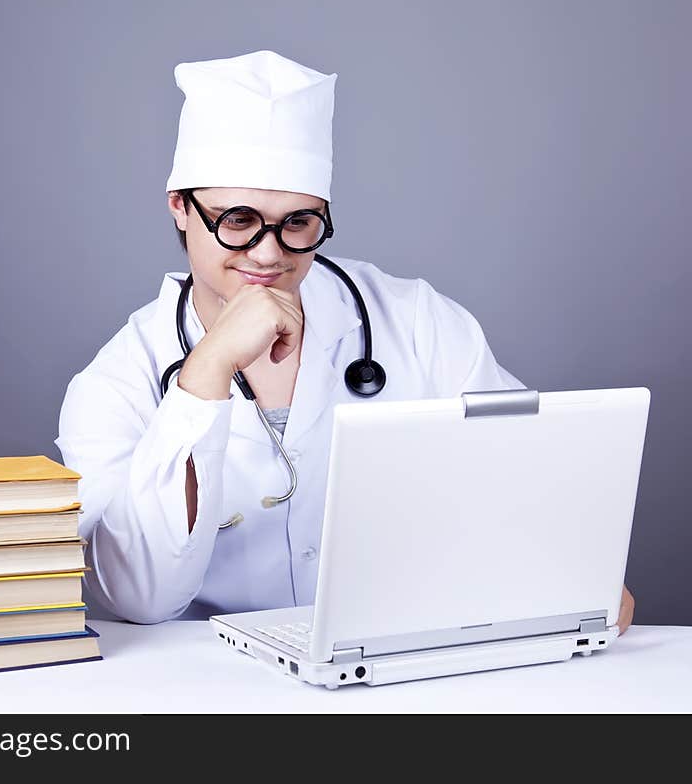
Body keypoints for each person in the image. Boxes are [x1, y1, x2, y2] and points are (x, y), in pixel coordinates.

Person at [55, 50, 635, 630]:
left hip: (403, 659)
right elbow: (137, 599)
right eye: (237, 220)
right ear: (180, 207)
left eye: (298, 224)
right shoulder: (118, 380)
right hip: (215, 682)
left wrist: (581, 567)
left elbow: (529, 473)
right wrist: (204, 373)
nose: (268, 253)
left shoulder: (417, 321)